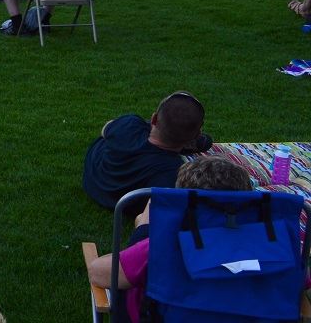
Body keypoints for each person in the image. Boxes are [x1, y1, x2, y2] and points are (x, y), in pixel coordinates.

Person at [87, 156, 250, 323]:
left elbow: (98, 273)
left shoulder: (162, 248)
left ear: (181, 202)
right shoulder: (269, 249)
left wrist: (143, 231)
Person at [82, 91, 211, 209]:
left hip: (95, 179)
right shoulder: (171, 172)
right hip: (117, 198)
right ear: (194, 137)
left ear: (154, 119)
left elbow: (106, 129)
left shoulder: (129, 126)